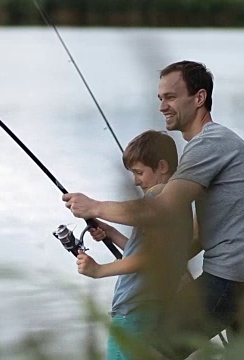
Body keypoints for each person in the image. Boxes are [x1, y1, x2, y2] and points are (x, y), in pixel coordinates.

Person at [63, 60, 244, 359]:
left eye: (171, 97)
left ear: (199, 98)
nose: (163, 106)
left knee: (154, 347)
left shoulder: (209, 144)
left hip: (233, 275)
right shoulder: (218, 143)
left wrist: (94, 206)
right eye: (160, 98)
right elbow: (203, 232)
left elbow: (161, 209)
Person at [75, 130, 192, 360]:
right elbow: (148, 252)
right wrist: (110, 232)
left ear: (162, 167)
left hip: (133, 310)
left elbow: (148, 258)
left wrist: (99, 270)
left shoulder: (157, 198)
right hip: (150, 307)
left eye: (139, 173)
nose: (136, 181)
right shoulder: (179, 204)